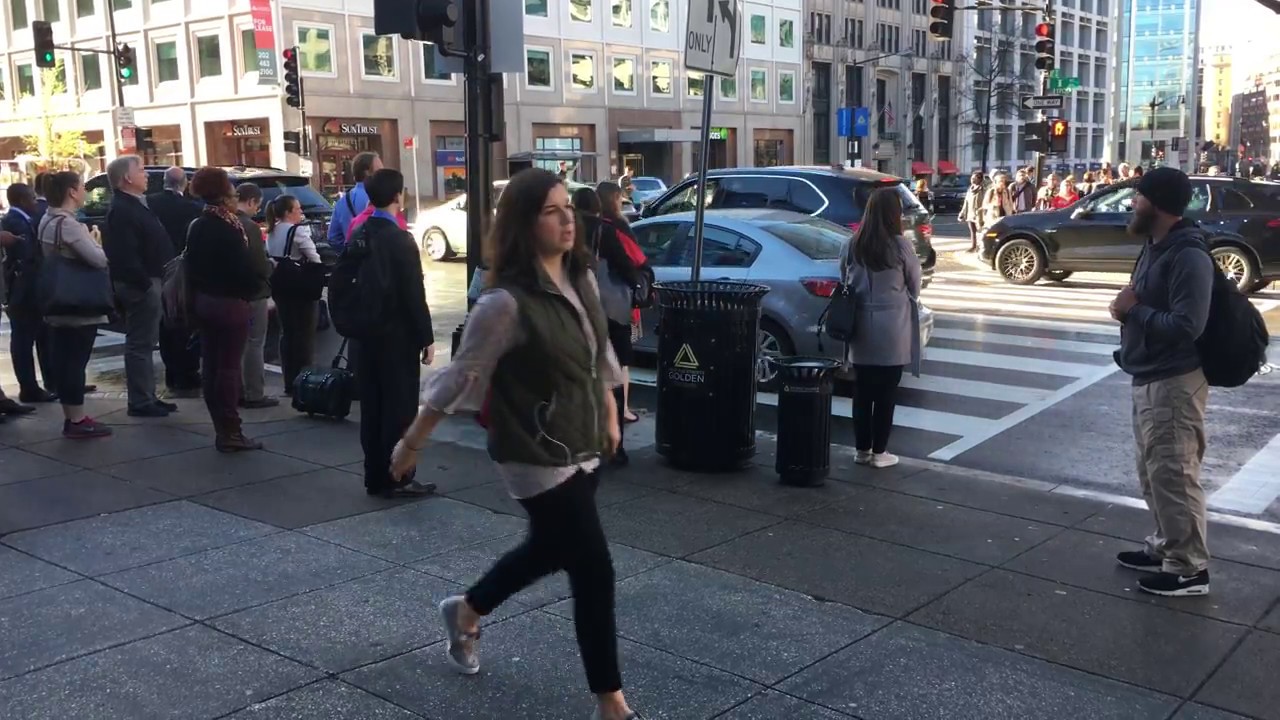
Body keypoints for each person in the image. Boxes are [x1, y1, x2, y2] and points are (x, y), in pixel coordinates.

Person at [388, 168, 639, 720]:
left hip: (585, 439)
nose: (567, 217)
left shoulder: (581, 277)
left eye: (567, 207)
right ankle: (611, 703)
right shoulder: (505, 303)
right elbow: (461, 376)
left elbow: (598, 351)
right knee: (593, 569)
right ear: (526, 224)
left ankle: (467, 610)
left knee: (551, 548)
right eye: (552, 211)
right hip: (534, 450)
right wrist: (412, 442)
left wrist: (611, 407)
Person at [1109, 167, 1215, 598]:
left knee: (1174, 471)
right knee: (1153, 471)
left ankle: (1189, 568)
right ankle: (1165, 546)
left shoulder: (1187, 254)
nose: (1132, 203)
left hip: (1174, 379)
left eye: (1138, 196)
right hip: (1149, 373)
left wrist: (1133, 312)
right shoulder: (1156, 246)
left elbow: (1188, 325)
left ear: (1158, 203)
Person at [350, 169, 436, 498]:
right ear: (398, 196)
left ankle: (374, 474)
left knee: (371, 407)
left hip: (364, 334)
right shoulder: (400, 239)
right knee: (399, 407)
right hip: (396, 337)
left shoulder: (359, 231)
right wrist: (426, 338)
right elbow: (414, 293)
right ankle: (399, 476)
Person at [839, 188, 922, 469]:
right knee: (886, 393)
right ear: (893, 214)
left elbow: (843, 280)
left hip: (860, 326)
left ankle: (861, 449)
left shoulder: (852, 244)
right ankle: (880, 451)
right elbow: (915, 285)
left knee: (862, 391)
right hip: (892, 327)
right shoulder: (901, 245)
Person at [184, 167, 263, 452]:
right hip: (230, 303)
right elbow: (244, 271)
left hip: (205, 301)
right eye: (231, 190)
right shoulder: (229, 228)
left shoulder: (198, 225)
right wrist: (255, 286)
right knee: (228, 370)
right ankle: (231, 431)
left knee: (212, 366)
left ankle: (222, 426)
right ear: (224, 195)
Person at [38, 171, 113, 439]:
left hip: (58, 301)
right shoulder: (69, 225)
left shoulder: (47, 220)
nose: (85, 192)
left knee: (65, 360)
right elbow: (98, 260)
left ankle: (74, 417)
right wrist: (95, 240)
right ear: (71, 192)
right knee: (74, 362)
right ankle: (77, 419)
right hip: (77, 305)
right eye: (82, 187)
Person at [103, 155, 178, 417]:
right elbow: (123, 253)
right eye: (141, 170)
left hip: (150, 278)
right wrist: (145, 284)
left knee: (147, 343)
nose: (146, 174)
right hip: (142, 283)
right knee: (140, 342)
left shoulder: (134, 205)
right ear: (127, 178)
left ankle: (147, 395)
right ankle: (140, 400)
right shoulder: (123, 209)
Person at [573, 186, 643, 467]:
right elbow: (628, 266)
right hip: (608, 311)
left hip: (575, 312)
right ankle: (615, 444)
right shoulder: (606, 230)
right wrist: (636, 285)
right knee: (612, 372)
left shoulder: (568, 230)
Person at [148, 166, 204, 396]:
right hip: (183, 269)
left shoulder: (149, 203)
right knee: (184, 320)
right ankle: (186, 372)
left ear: (164, 181)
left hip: (157, 267)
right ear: (184, 183)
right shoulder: (191, 208)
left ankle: (172, 370)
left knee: (166, 322)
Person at [596, 181, 648, 425]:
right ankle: (622, 408)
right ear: (614, 199)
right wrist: (639, 284)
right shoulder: (617, 227)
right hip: (617, 300)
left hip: (592, 300)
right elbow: (634, 261)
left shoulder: (589, 227)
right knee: (621, 357)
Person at [2, 183, 56, 402]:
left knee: (41, 335)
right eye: (33, 199)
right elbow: (27, 253)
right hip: (22, 289)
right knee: (24, 339)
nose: (36, 203)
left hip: (29, 288)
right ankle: (29, 387)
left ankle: (49, 382)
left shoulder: (21, 219)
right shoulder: (16, 221)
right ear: (24, 200)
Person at [266, 194, 322, 394]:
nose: (301, 213)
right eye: (298, 209)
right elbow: (314, 257)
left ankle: (289, 381)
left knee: (287, 334)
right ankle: (304, 382)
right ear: (288, 212)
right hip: (300, 288)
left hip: (280, 287)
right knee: (304, 335)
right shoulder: (296, 231)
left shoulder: (272, 231)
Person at [234, 183, 278, 409]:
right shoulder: (248, 226)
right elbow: (258, 264)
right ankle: (254, 392)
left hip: (232, 293)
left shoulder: (226, 221)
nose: (257, 210)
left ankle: (239, 388)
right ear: (251, 201)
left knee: (239, 343)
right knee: (254, 342)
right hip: (253, 293)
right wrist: (270, 266)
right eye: (257, 205)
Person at [327, 151, 382, 253]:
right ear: (367, 172)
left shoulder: (342, 202)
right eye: (380, 170)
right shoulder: (380, 197)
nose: (383, 173)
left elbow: (333, 238)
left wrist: (349, 251)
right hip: (377, 260)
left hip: (352, 263)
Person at [957, 171, 986, 252]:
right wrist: (962, 213)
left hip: (979, 214)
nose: (972, 180)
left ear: (979, 179)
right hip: (970, 213)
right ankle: (973, 246)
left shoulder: (983, 189)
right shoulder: (970, 189)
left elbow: (985, 202)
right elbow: (966, 202)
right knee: (972, 231)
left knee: (980, 231)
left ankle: (981, 247)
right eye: (972, 178)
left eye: (974, 178)